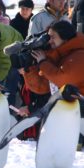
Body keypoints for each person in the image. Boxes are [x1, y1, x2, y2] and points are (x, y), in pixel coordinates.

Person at [20, 20, 84, 149]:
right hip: (67, 111)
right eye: (48, 37)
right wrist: (30, 67)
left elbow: (64, 80)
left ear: (65, 38)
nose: (49, 41)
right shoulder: (60, 55)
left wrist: (43, 62)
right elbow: (41, 88)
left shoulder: (80, 54)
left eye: (53, 37)